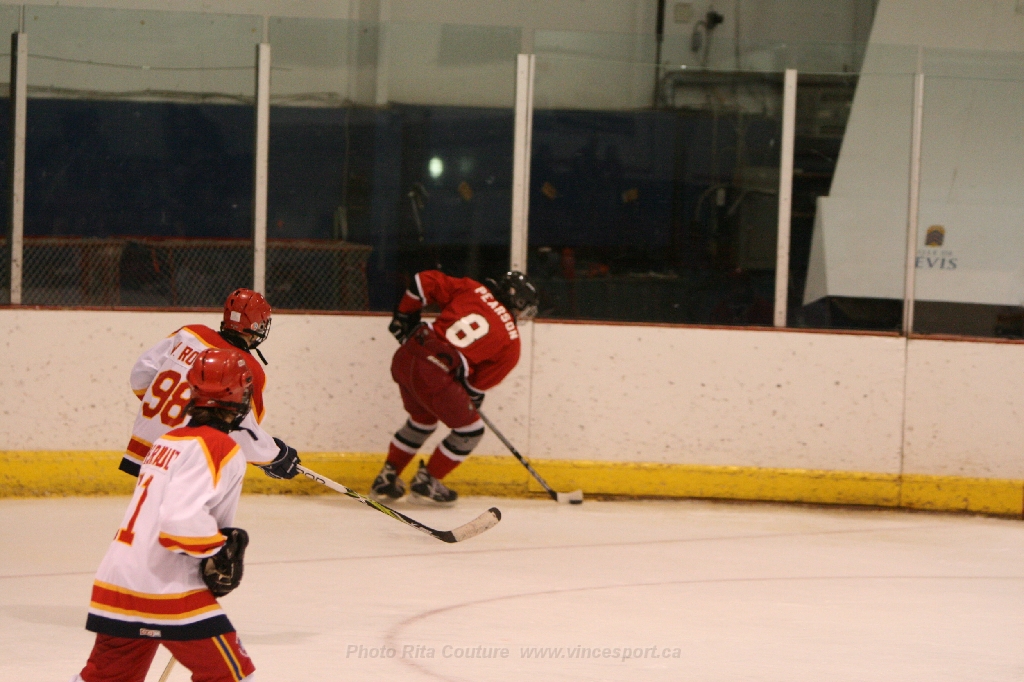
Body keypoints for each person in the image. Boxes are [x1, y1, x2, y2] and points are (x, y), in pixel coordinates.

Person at [72, 348, 262, 682]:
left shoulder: (168, 440)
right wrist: (217, 550)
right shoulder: (219, 447)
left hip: (117, 581)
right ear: (237, 395)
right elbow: (179, 523)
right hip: (165, 587)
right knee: (231, 675)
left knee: (106, 678)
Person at [371, 270, 539, 505]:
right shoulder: (512, 343)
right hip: (434, 374)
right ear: (516, 302)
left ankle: (386, 478)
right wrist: (469, 395)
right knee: (470, 431)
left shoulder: (473, 289)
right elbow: (474, 387)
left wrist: (404, 315)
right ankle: (428, 482)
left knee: (422, 420)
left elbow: (422, 281)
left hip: (406, 356)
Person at [120, 288, 299, 481]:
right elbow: (241, 429)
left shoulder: (190, 333)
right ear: (256, 324)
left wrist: (165, 409)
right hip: (187, 459)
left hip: (145, 450)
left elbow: (140, 374)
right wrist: (275, 455)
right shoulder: (248, 368)